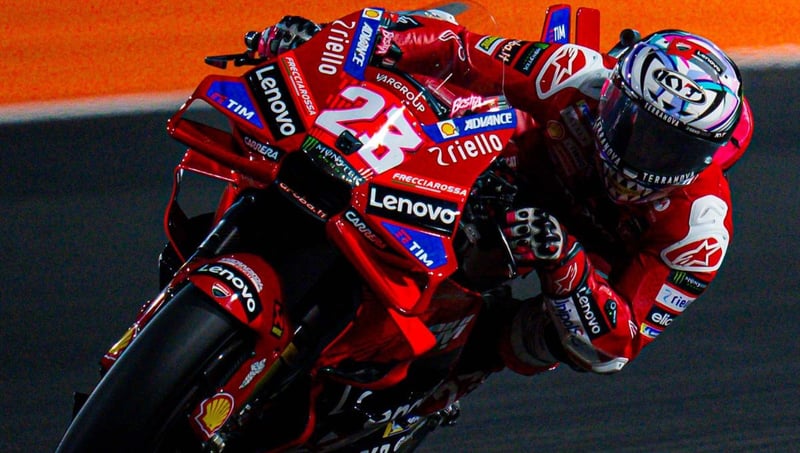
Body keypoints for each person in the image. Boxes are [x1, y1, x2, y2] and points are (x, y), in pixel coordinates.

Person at [254, 2, 753, 432]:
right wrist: (334, 46)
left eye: (672, 150)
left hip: (561, 254)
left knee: (538, 340)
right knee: (429, 53)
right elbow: (457, 48)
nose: (645, 155)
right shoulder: (575, 74)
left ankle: (426, 397)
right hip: (495, 171)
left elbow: (615, 347)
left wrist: (565, 262)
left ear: (709, 157)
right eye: (637, 127)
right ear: (614, 94)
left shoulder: (700, 229)